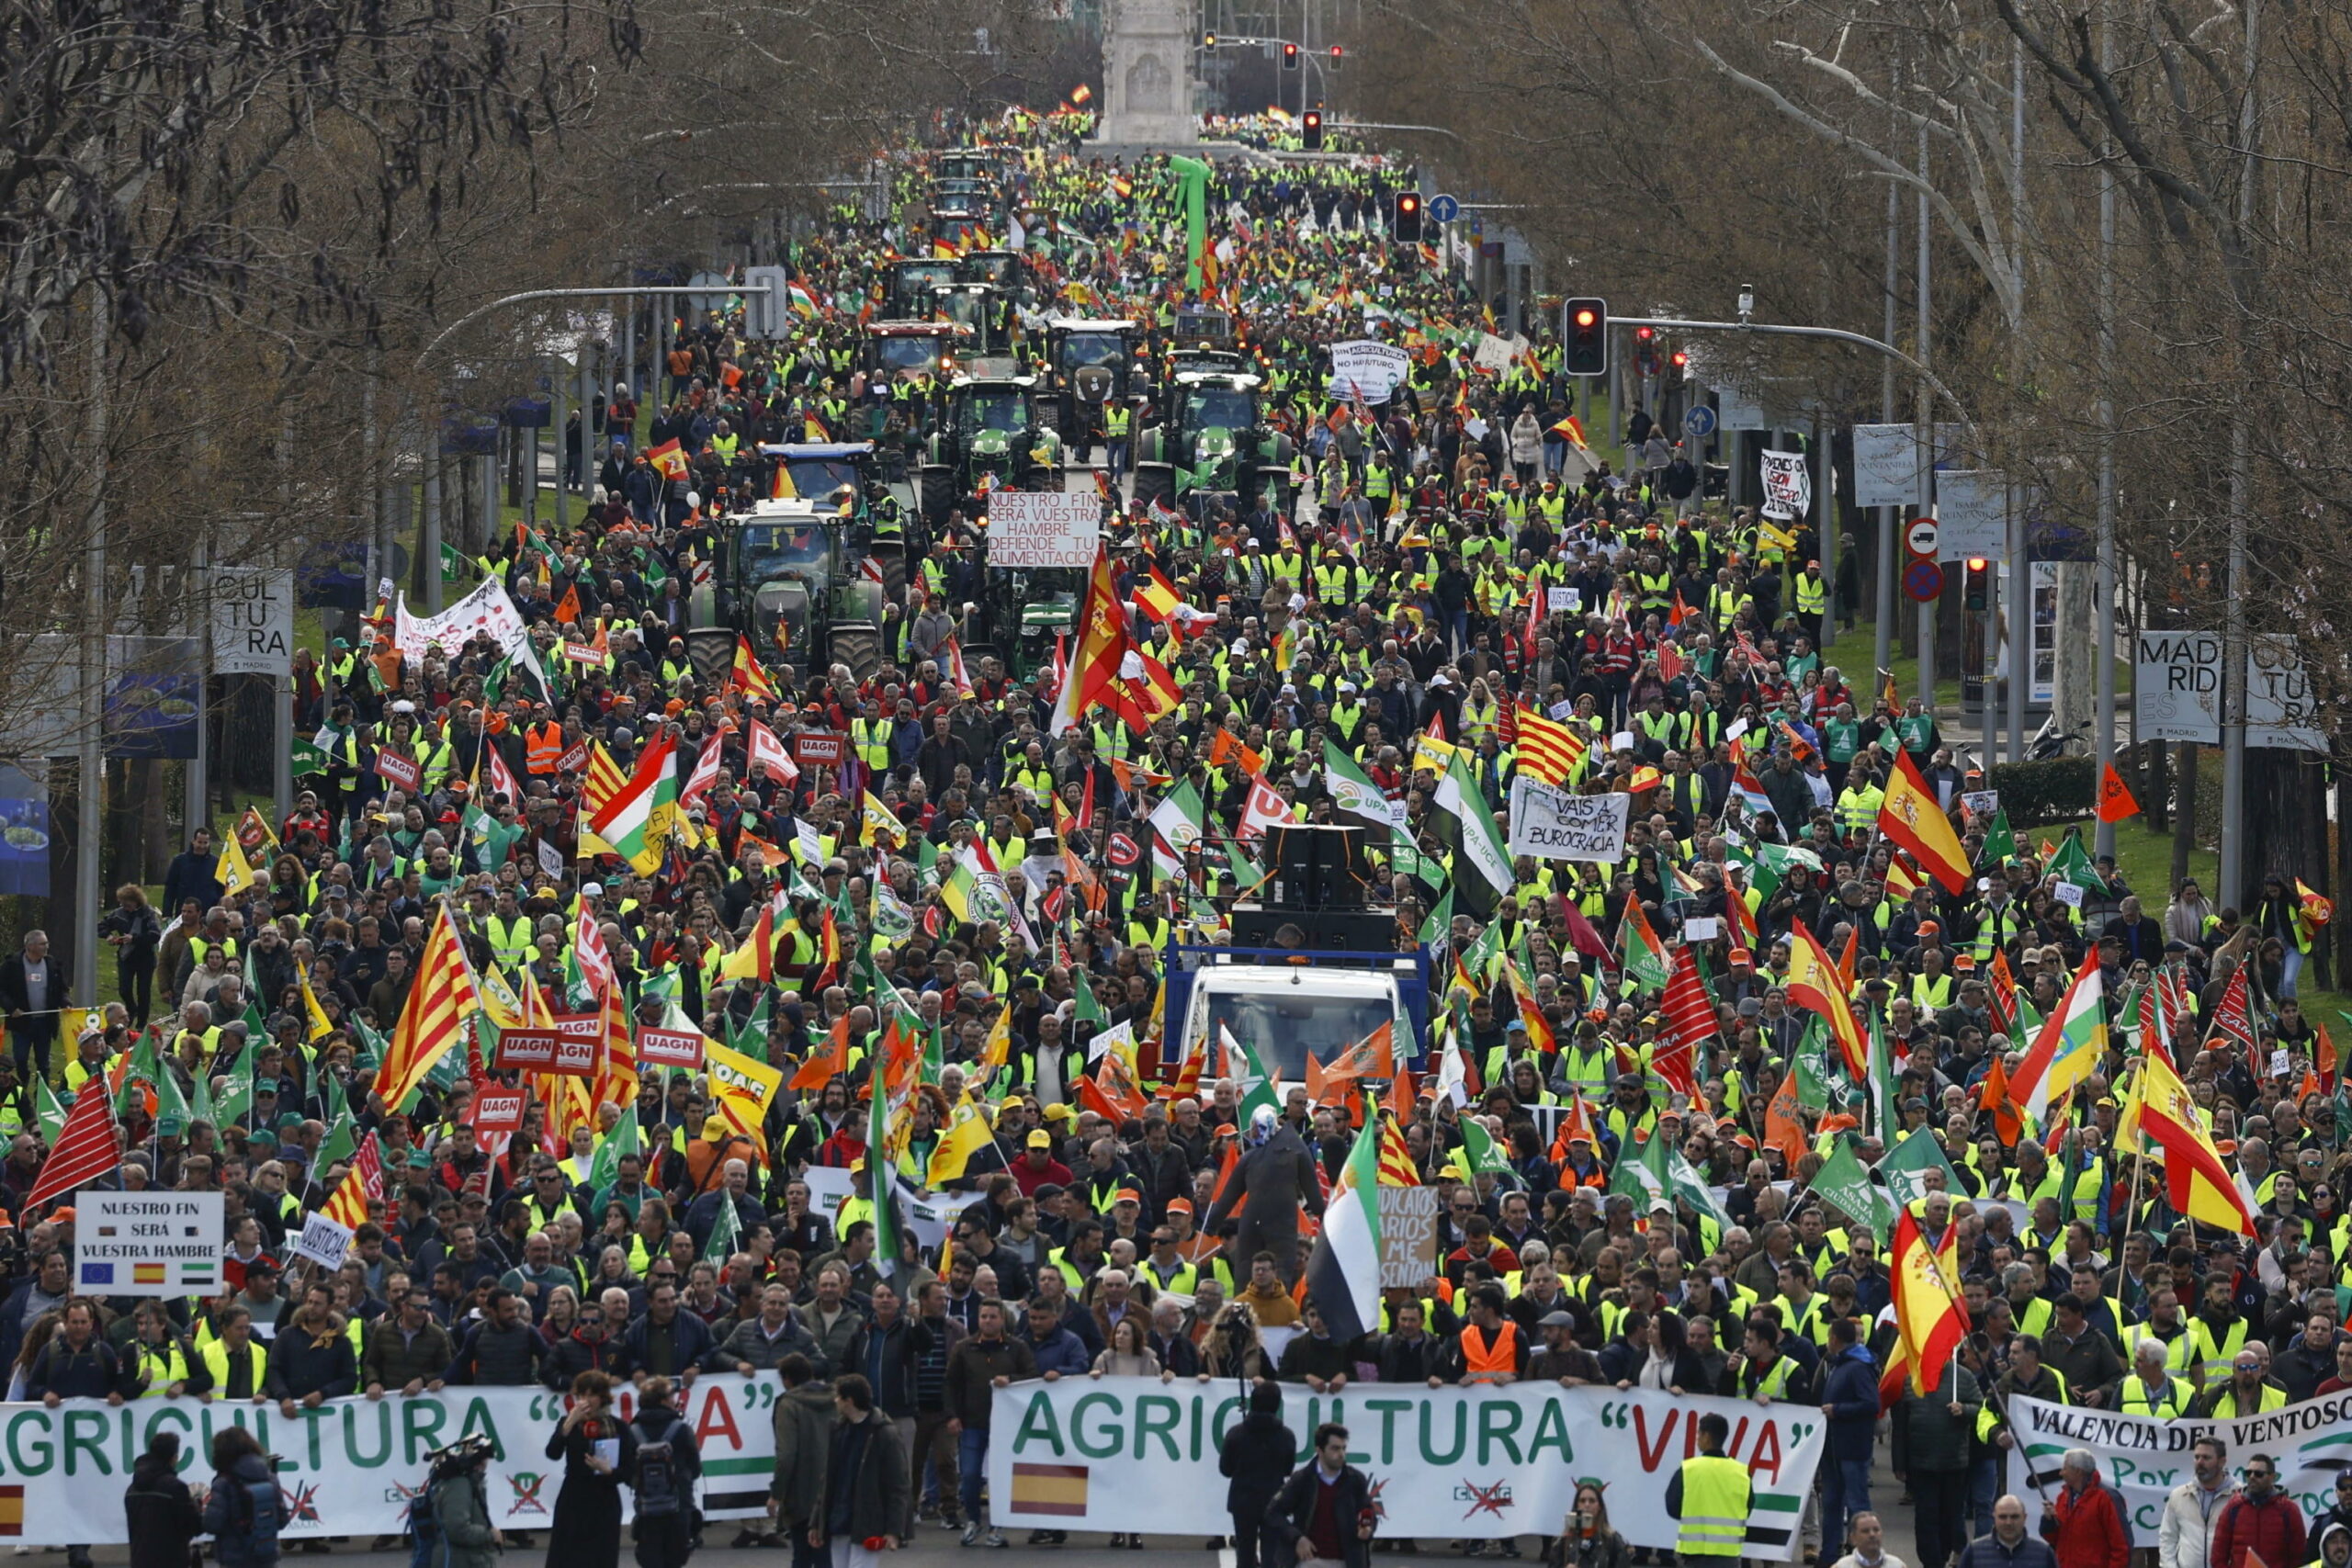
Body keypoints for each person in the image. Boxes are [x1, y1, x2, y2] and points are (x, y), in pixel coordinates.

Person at [808, 1373, 907, 1568]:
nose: (835, 1401)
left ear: (849, 1401)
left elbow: (898, 1485)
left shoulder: (884, 1434)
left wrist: (894, 1530)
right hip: (839, 1519)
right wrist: (816, 1522)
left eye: (838, 1397)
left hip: (868, 1521)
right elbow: (827, 1480)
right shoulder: (838, 1430)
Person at [544, 1370, 634, 1568]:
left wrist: (609, 1471)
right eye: (581, 1395)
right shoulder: (568, 1424)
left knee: (600, 1559)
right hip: (573, 1498)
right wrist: (569, 1423)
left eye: (591, 1395)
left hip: (604, 1500)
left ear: (602, 1397)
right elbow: (552, 1452)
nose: (586, 1400)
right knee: (566, 1558)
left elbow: (630, 1471)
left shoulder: (618, 1427)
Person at [1263, 1423, 1375, 1568]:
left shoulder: (1356, 1480)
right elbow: (1273, 1512)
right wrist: (1297, 1538)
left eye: (1343, 1448)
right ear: (1319, 1450)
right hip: (1310, 1561)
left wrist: (1368, 1529)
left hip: (1347, 1561)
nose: (1341, 1454)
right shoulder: (1302, 1479)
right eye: (1335, 1448)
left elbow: (1368, 1512)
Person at [766, 1352, 837, 1568]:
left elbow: (786, 1454)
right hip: (836, 1487)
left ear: (787, 1379)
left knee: (803, 1555)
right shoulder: (837, 1398)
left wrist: (776, 1494)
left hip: (802, 1491)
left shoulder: (788, 1404)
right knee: (829, 1555)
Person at [628, 1375, 701, 1568]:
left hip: (646, 1505)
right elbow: (695, 1467)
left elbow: (628, 1472)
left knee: (650, 1556)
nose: (674, 1398)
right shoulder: (681, 1429)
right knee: (675, 1558)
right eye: (671, 1395)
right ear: (663, 1401)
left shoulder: (633, 1430)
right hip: (678, 1502)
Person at [1220, 1381, 1296, 1568]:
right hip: (1273, 1500)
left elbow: (1225, 1469)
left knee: (1245, 1552)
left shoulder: (1236, 1434)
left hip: (1243, 1499)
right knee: (1271, 1554)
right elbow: (1288, 1469)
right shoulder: (1286, 1436)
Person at [1666, 1411, 1749, 1563]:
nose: (1697, 1438)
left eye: (1699, 1433)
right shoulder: (1741, 1472)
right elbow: (1748, 1507)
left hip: (1696, 1555)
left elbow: (1672, 1506)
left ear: (1707, 1436)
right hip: (1729, 1556)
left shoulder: (1688, 1469)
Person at [203, 1425, 286, 1568]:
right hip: (266, 1554)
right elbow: (283, 1519)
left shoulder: (224, 1482)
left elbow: (212, 1523)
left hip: (235, 1557)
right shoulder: (270, 1478)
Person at [2210, 1453, 2306, 1568]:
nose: (2252, 1477)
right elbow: (2218, 1555)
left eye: (2258, 1474)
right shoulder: (2233, 1508)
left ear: (2272, 1477)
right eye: (2248, 1473)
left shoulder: (2288, 1509)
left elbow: (2298, 1555)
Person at [124, 1430, 205, 1568]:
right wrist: (198, 1508)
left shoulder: (132, 1489)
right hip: (171, 1560)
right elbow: (194, 1526)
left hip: (140, 1560)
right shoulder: (175, 1487)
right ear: (174, 1458)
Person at [2040, 1450, 2130, 1568]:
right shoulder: (2063, 1497)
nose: (2061, 1473)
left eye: (2065, 1469)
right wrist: (2049, 1521)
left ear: (2078, 1472)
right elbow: (2055, 1540)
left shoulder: (2107, 1499)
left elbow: (2122, 1546)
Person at [2159, 1437, 2233, 1568]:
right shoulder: (2179, 1495)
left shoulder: (2238, 1497)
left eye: (2206, 1458)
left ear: (2222, 1462)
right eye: (2196, 1457)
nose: (2199, 1462)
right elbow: (2167, 1538)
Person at [1956, 1496, 2058, 1568]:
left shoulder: (2044, 1553)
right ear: (1994, 1518)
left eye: (2014, 1517)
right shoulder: (1974, 1552)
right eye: (2003, 1517)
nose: (2008, 1522)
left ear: (2024, 1517)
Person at [1544, 1483, 1627, 1568]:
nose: (1587, 1505)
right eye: (1582, 1501)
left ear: (1599, 1506)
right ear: (1577, 1505)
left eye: (1592, 1501)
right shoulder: (1564, 1540)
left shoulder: (1613, 1539)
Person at [1832, 1513, 1908, 1568]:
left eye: (1876, 1530)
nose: (1872, 1534)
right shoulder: (1842, 1566)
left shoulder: (1897, 1565)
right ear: (1853, 1538)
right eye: (1865, 1531)